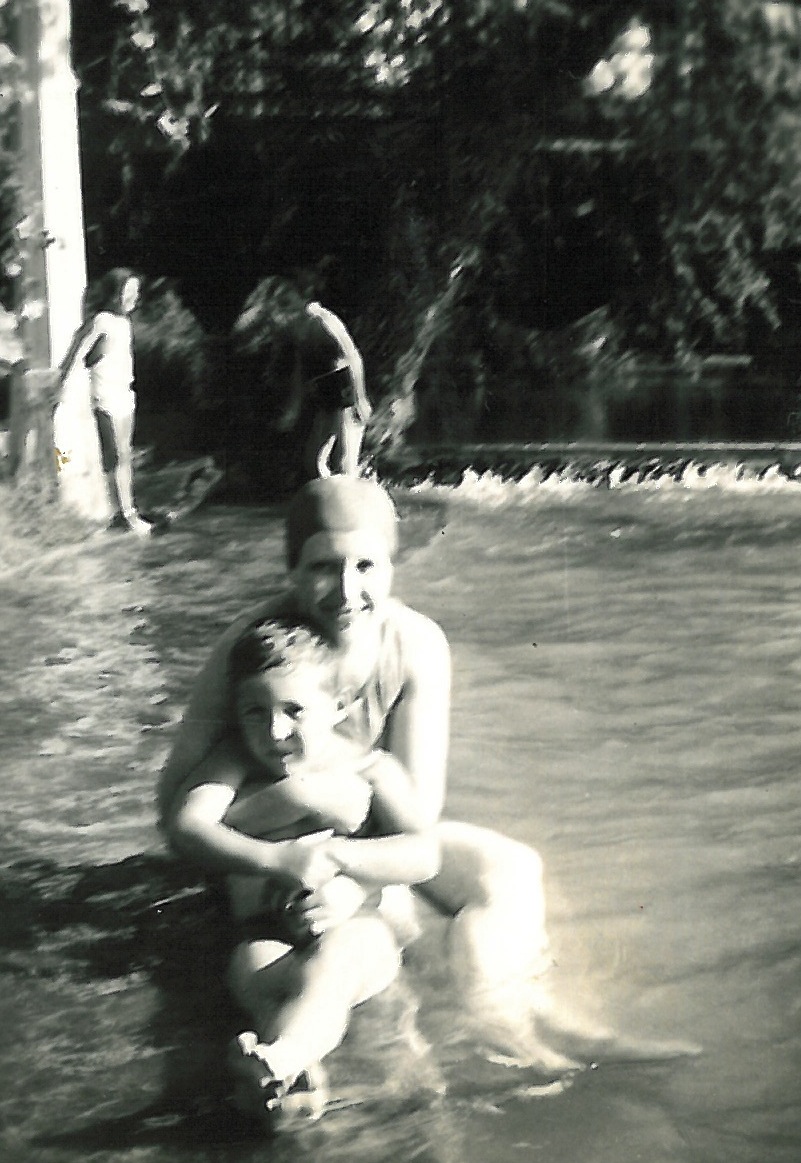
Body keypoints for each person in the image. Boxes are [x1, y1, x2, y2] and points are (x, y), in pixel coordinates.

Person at [159, 475, 568, 1073]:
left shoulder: (414, 643)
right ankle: (299, 1058)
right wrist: (307, 800)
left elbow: (419, 813)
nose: (347, 591)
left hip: (369, 838)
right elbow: (174, 812)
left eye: (366, 566)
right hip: (268, 853)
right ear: (292, 572)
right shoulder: (254, 651)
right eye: (323, 567)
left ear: (393, 566)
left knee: (512, 868)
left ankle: (510, 1017)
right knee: (360, 941)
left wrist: (351, 879)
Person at [168, 615, 440, 1126]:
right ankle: (287, 1076)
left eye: (294, 710)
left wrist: (341, 862)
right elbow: (187, 825)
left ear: (339, 706)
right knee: (258, 974)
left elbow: (425, 855)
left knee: (335, 967)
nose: (274, 732)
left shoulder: (372, 770)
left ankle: (284, 1058)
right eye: (254, 712)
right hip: (262, 935)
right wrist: (277, 859)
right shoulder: (234, 762)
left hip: (356, 930)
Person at [57, 268, 151, 536]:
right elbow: (77, 352)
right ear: (114, 293)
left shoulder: (124, 323)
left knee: (125, 455)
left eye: (136, 291)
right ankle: (126, 515)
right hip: (106, 396)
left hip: (125, 394)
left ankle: (124, 513)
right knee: (116, 456)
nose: (134, 297)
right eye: (128, 291)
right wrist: (59, 385)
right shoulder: (102, 321)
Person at [272, 295, 372, 478]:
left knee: (345, 461)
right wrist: (293, 408)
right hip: (325, 392)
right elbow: (300, 371)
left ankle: (357, 483)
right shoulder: (298, 330)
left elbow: (353, 357)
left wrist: (360, 398)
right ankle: (335, 487)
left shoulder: (324, 321)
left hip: (344, 389)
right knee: (314, 461)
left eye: (285, 306)